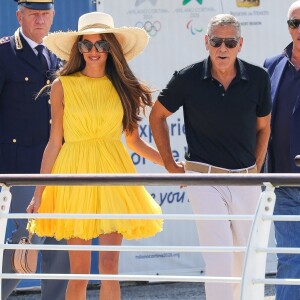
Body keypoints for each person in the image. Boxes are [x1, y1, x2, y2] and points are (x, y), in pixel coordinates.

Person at [26, 11, 164, 300]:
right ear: (78, 49)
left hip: (114, 177)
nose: (93, 51)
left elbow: (134, 141)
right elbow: (54, 143)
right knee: (79, 271)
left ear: (111, 48)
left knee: (109, 267)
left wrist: (170, 165)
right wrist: (39, 193)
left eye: (100, 44)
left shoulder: (122, 87)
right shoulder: (62, 85)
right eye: (86, 45)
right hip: (74, 177)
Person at [150, 14, 271, 300]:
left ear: (240, 44)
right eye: (217, 41)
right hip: (203, 179)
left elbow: (264, 127)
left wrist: (255, 169)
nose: (223, 48)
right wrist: (169, 164)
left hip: (246, 180)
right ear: (207, 42)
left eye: (230, 42)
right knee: (219, 261)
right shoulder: (187, 78)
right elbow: (157, 116)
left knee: (248, 260)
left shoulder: (258, 78)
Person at [0, 1, 69, 299]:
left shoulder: (61, 54)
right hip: (20, 168)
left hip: (60, 167)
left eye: (45, 14)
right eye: (33, 14)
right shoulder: (3, 53)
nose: (40, 20)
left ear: (53, 16)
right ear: (20, 16)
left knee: (60, 248)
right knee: (23, 245)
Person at [263, 1, 300, 299]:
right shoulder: (271, 65)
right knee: (289, 258)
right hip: (285, 183)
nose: (299, 30)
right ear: (288, 27)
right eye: (295, 23)